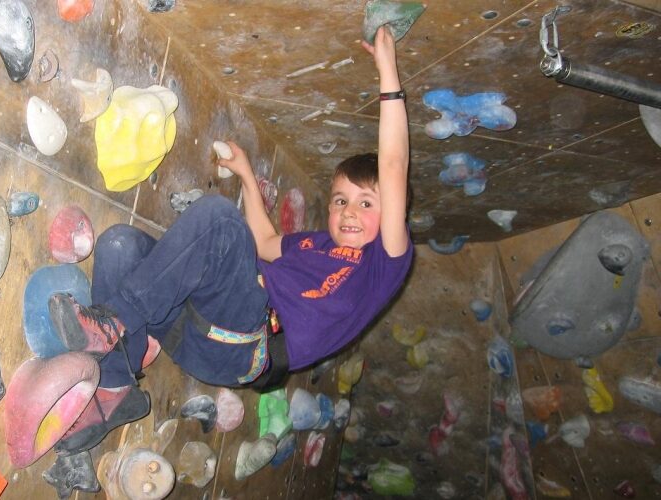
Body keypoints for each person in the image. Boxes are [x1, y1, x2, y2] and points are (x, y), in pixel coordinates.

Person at [48, 25, 413, 456]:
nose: (350, 211)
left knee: (219, 220)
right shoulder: (315, 245)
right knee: (118, 245)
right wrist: (245, 177)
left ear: (392, 213)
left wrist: (388, 73)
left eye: (367, 204)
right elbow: (264, 241)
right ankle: (114, 386)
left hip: (248, 348)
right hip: (198, 329)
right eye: (341, 200)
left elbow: (392, 165)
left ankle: (113, 323)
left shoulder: (382, 266)